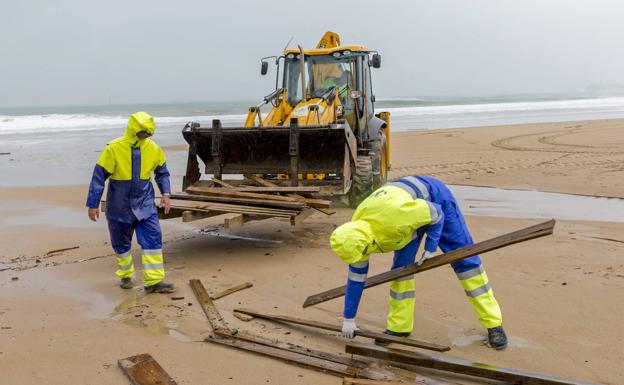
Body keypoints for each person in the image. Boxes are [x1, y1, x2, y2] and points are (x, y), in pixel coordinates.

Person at [330, 175, 507, 349]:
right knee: (401, 271)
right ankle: (399, 328)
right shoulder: (354, 235)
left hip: (434, 199)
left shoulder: (395, 220)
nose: (360, 259)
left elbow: (436, 213)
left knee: (465, 261)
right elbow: (356, 278)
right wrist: (349, 319)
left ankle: (494, 324)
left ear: (368, 243)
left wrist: (430, 247)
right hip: (407, 214)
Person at [86, 112, 175, 294]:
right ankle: (126, 275)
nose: (144, 137)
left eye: (148, 134)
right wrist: (93, 204)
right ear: (133, 130)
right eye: (142, 133)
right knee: (121, 242)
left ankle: (154, 282)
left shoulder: (153, 148)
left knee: (152, 239)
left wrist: (166, 194)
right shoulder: (113, 148)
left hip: (145, 203)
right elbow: (98, 178)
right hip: (119, 204)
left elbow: (162, 172)